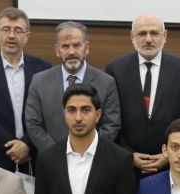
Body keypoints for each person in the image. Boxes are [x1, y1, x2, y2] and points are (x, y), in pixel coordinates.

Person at [105, 14, 180, 176]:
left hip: (171, 167)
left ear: (165, 36)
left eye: (154, 33)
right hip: (126, 167)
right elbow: (110, 119)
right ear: (132, 37)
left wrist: (169, 154)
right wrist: (127, 155)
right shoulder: (116, 69)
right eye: (142, 33)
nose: (148, 39)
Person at [0, 7, 52, 172]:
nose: (12, 35)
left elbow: (47, 112)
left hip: (36, 155)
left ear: (27, 36)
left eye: (18, 30)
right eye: (6, 29)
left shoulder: (43, 68)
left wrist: (27, 143)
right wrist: (13, 146)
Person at [26, 21, 121, 153]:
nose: (71, 52)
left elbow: (112, 125)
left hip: (94, 158)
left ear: (86, 48)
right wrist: (57, 153)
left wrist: (87, 152)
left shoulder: (107, 82)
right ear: (57, 50)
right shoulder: (39, 81)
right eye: (65, 46)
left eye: (77, 45)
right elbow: (33, 124)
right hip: (52, 159)